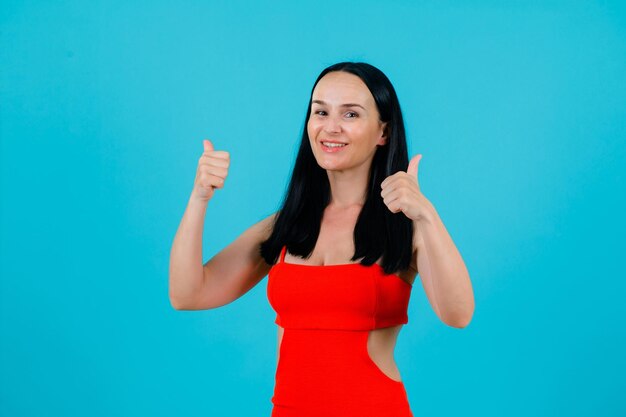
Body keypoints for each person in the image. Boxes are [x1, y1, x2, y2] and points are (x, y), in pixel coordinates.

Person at [169, 61, 475, 417]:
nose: (331, 127)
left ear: (384, 132)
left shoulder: (405, 226)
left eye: (350, 114)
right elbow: (188, 293)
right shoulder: (286, 226)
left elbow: (458, 314)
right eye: (321, 111)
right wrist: (198, 199)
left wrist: (427, 215)